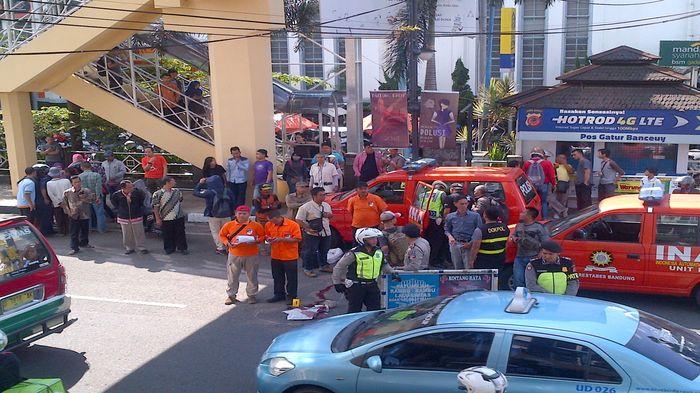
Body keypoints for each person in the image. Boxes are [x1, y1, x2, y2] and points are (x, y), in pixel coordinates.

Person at [332, 228, 397, 313]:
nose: (375, 240)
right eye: (371, 238)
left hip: (372, 285)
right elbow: (339, 267)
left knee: (375, 311)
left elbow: (384, 264)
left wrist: (393, 273)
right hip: (356, 287)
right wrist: (337, 283)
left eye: (375, 238)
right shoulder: (354, 253)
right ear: (363, 240)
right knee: (354, 311)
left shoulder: (378, 251)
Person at [219, 205, 265, 305]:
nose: (242, 215)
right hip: (235, 254)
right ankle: (231, 295)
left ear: (249, 214)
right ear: (236, 214)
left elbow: (262, 236)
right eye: (240, 213)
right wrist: (227, 243)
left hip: (251, 254)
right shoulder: (229, 225)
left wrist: (256, 241)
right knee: (232, 276)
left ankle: (252, 295)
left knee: (252, 275)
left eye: (244, 213)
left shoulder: (256, 225)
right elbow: (222, 235)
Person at [264, 210, 302, 304]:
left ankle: (292, 296)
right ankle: (279, 294)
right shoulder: (269, 225)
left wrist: (282, 239)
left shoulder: (293, 225)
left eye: (272, 221)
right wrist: (269, 239)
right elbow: (267, 236)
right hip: (276, 255)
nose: (271, 223)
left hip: (290, 256)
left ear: (277, 217)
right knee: (277, 277)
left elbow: (297, 239)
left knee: (291, 278)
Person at [296, 187, 333, 277]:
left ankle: (323, 265)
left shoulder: (326, 205)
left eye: (324, 195)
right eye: (321, 195)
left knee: (324, 250)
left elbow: (331, 216)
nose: (323, 197)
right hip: (312, 233)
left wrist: (328, 215)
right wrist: (307, 229)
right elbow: (298, 219)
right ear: (314, 196)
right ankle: (307, 268)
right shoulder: (305, 207)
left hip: (325, 231)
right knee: (310, 251)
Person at [193, 176, 234, 254]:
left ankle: (220, 248)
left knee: (216, 232)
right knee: (227, 232)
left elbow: (195, 192)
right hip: (227, 215)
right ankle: (229, 247)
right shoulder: (228, 191)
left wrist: (200, 183)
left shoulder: (209, 192)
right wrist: (232, 213)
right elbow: (233, 202)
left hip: (213, 215)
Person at [511, 207, 549, 289]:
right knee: (518, 279)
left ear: (529, 216)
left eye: (523, 213)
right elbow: (514, 235)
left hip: (533, 257)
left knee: (532, 280)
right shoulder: (519, 225)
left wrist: (542, 252)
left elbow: (545, 241)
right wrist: (514, 238)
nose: (521, 214)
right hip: (520, 256)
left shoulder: (539, 227)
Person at [469, 207, 510, 283]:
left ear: (485, 215)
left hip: (484, 260)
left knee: (483, 282)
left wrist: (471, 261)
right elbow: (506, 243)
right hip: (499, 258)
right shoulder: (504, 227)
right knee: (496, 280)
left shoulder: (480, 230)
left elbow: (475, 247)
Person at [445, 195, 483, 269]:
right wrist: (450, 236)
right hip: (455, 244)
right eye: (462, 204)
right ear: (455, 204)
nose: (464, 206)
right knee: (457, 267)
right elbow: (447, 229)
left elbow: (479, 231)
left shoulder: (475, 216)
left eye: (466, 203)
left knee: (469, 268)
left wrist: (471, 243)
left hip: (469, 244)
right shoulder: (450, 216)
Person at [111, 180, 148, 255]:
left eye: (132, 186)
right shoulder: (117, 195)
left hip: (136, 215)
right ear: (123, 188)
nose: (132, 188)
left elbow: (142, 201)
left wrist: (137, 208)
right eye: (130, 187)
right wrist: (121, 209)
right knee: (126, 233)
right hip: (124, 216)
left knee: (139, 232)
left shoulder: (138, 193)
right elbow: (115, 203)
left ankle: (142, 247)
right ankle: (129, 247)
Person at [152, 176, 188, 255]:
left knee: (180, 232)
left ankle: (182, 248)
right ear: (168, 183)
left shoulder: (177, 191)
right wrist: (157, 219)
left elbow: (180, 200)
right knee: (167, 234)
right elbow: (155, 207)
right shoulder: (158, 194)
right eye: (173, 181)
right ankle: (169, 248)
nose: (175, 182)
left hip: (178, 216)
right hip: (166, 217)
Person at [63, 176, 96, 255]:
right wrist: (68, 212)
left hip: (84, 214)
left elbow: (93, 200)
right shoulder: (67, 192)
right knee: (74, 232)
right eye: (75, 182)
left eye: (78, 182)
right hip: (73, 214)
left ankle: (84, 243)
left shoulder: (86, 191)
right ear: (72, 183)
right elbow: (64, 204)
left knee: (85, 230)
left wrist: (85, 199)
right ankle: (74, 247)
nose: (77, 184)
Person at [523, 149, 556, 218]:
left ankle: (532, 218)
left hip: (531, 186)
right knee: (544, 203)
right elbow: (551, 176)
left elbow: (524, 175)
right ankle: (544, 219)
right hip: (543, 185)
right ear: (542, 155)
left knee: (532, 203)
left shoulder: (527, 163)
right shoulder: (547, 163)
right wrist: (554, 184)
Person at [424, 181, 450, 267]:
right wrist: (443, 219)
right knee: (437, 242)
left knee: (428, 240)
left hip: (425, 220)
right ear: (442, 187)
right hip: (437, 221)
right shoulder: (442, 194)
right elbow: (446, 208)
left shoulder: (425, 194)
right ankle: (434, 261)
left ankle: (428, 259)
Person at [78, 162, 106, 233]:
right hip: (94, 195)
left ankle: (88, 229)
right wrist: (98, 196)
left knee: (87, 214)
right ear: (91, 167)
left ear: (82, 167)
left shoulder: (80, 176)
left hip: (85, 196)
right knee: (100, 213)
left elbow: (80, 188)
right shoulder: (97, 175)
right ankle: (101, 229)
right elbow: (98, 187)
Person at [47, 167, 71, 235]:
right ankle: (68, 230)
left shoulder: (49, 183)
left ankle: (62, 231)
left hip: (56, 204)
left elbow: (51, 195)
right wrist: (65, 201)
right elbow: (70, 191)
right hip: (67, 202)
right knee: (67, 217)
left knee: (59, 218)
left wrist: (59, 202)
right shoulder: (66, 181)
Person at [33, 164, 54, 235]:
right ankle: (45, 231)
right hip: (43, 200)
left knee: (46, 216)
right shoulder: (45, 179)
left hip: (40, 200)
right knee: (46, 216)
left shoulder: (37, 179)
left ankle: (49, 230)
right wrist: (45, 198)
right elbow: (43, 189)